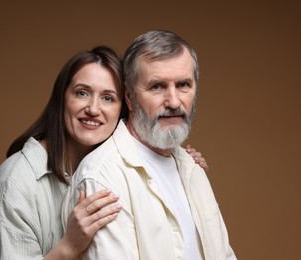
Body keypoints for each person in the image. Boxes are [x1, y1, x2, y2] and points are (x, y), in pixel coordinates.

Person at [0, 44, 209, 259]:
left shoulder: (110, 171)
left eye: (108, 98)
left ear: (125, 107)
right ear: (62, 99)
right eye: (82, 93)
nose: (93, 108)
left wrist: (176, 166)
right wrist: (68, 247)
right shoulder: (16, 182)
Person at [62, 30, 236, 259]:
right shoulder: (103, 177)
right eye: (157, 86)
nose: (174, 102)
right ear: (129, 98)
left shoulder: (192, 168)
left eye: (183, 84)